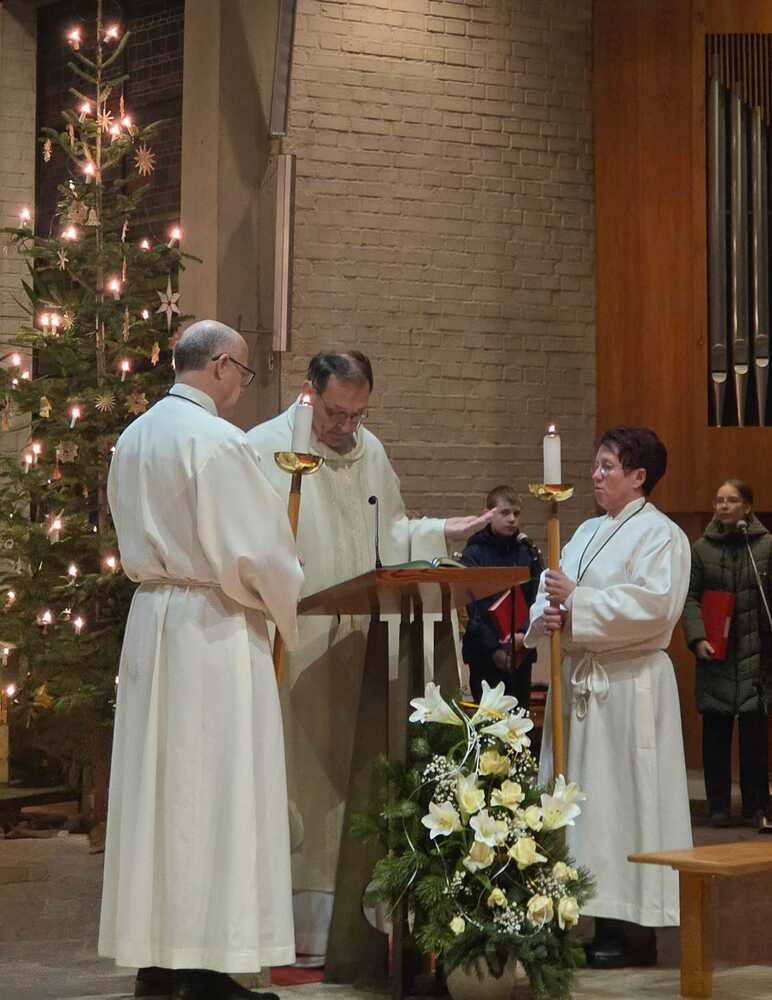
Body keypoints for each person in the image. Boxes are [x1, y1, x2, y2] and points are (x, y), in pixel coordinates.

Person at [247, 350, 492, 961]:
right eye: (336, 413)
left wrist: (440, 533)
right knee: (302, 779)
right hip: (297, 645)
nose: (346, 427)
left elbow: (392, 535)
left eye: (358, 415)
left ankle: (354, 920)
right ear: (308, 392)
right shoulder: (263, 449)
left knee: (353, 779)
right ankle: (291, 924)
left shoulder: (371, 451)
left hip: (362, 642)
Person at [98, 321, 305, 1000]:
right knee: (212, 790)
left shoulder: (135, 437)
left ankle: (157, 961)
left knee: (159, 794)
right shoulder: (217, 441)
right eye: (243, 373)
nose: (242, 387)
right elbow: (259, 555)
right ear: (220, 366)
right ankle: (207, 967)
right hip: (211, 628)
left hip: (153, 621)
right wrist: (287, 592)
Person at [525, 426, 692, 969]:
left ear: (638, 476)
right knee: (585, 807)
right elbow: (552, 587)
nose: (595, 476)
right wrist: (548, 614)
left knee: (627, 802)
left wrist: (580, 601)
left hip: (629, 685)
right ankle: (582, 913)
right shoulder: (586, 531)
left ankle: (634, 927)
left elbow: (656, 606)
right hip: (583, 683)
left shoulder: (662, 535)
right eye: (595, 466)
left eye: (607, 467)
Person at [681, 479, 771, 829]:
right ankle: (717, 806)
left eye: (731, 500)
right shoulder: (701, 549)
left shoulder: (765, 546)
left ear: (747, 507)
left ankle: (755, 807)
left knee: (754, 738)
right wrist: (697, 638)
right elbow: (689, 597)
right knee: (715, 735)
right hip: (716, 653)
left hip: (756, 656)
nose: (723, 506)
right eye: (719, 500)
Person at [461, 485, 543, 709]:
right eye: (505, 512)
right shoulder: (474, 553)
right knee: (488, 720)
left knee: (520, 720)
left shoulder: (527, 551)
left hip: (520, 652)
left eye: (516, 513)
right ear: (488, 514)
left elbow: (537, 597)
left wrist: (523, 634)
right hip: (485, 654)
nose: (512, 519)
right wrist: (493, 650)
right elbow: (471, 608)